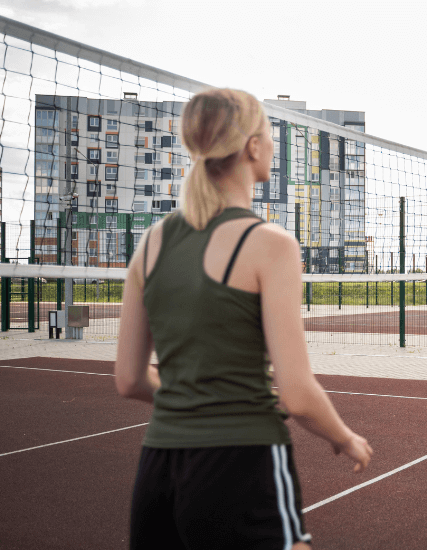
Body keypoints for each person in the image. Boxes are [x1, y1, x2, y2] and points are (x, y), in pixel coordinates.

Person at [114, 88, 373, 549]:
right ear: (253, 147)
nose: (272, 147)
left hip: (157, 469)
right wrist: (345, 437)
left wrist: (190, 400)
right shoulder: (270, 244)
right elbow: (297, 393)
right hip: (241, 460)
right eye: (270, 136)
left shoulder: (151, 244)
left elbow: (130, 379)